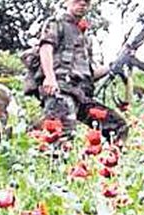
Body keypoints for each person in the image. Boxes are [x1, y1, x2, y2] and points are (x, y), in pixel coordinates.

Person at [31, 0, 128, 142]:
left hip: (81, 95)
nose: (82, 3)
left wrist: (113, 66)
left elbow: (89, 74)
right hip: (60, 91)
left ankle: (109, 160)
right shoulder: (56, 23)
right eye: (77, 0)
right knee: (60, 139)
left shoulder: (85, 38)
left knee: (118, 126)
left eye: (87, 1)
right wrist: (49, 77)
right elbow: (46, 48)